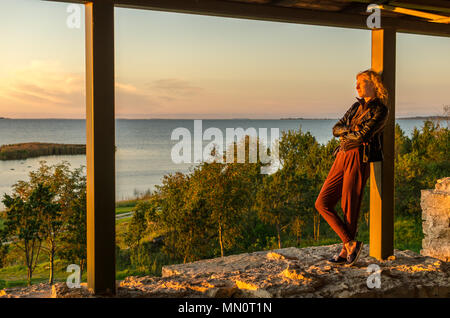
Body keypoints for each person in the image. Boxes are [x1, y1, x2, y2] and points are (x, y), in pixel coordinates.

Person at [314, 69, 389, 266]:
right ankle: (350, 243)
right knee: (322, 202)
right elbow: (335, 129)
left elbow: (364, 136)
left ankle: (345, 250)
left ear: (373, 84)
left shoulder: (380, 110)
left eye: (360, 82)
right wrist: (350, 130)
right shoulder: (356, 106)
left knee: (350, 207)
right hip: (341, 155)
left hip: (359, 157)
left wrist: (349, 133)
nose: (356, 86)